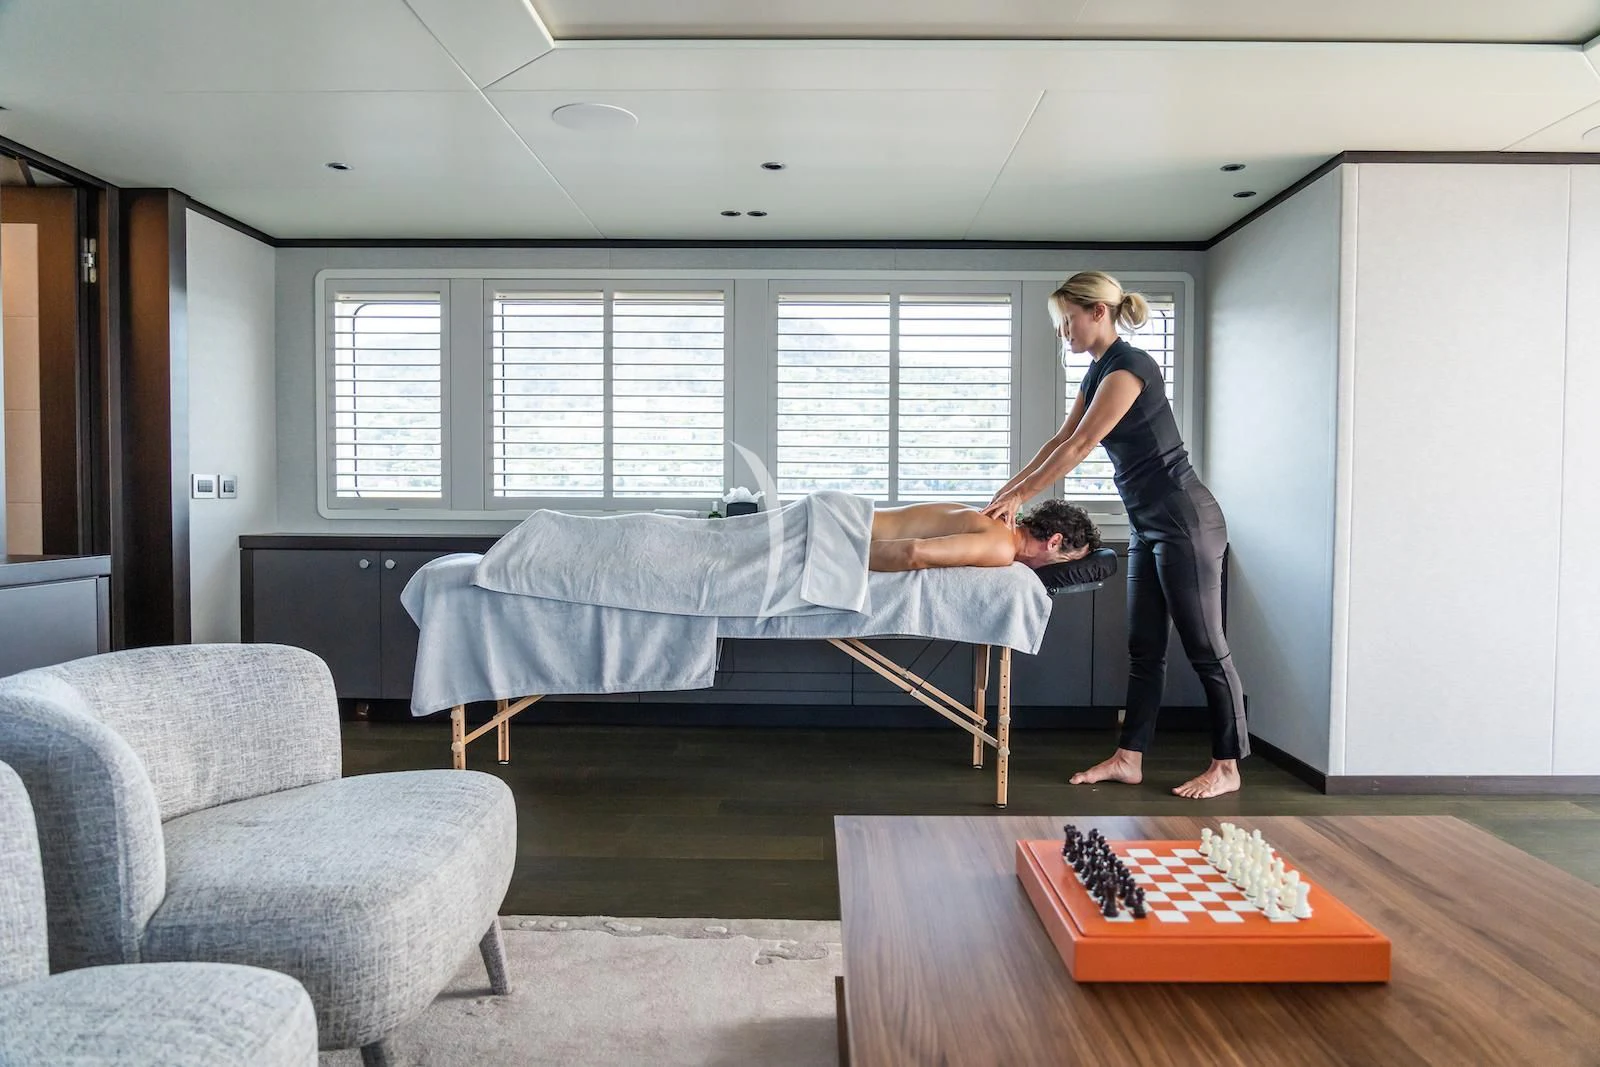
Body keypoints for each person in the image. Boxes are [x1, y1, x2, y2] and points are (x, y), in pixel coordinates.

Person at [983, 272, 1247, 800]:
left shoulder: (1131, 367)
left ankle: (1227, 765)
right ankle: (1130, 758)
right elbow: (1060, 438)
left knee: (1205, 647)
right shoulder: (1099, 371)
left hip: (1183, 518)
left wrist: (1022, 499)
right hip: (1149, 523)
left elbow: (1080, 447)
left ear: (1097, 313)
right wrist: (1004, 495)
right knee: (1144, 646)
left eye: (1067, 321)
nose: (1063, 333)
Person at [868, 499, 1099, 574]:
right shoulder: (1002, 547)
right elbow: (914, 554)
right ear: (1054, 541)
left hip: (850, 516)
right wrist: (838, 560)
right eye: (1066, 561)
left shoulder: (1000, 525)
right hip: (846, 530)